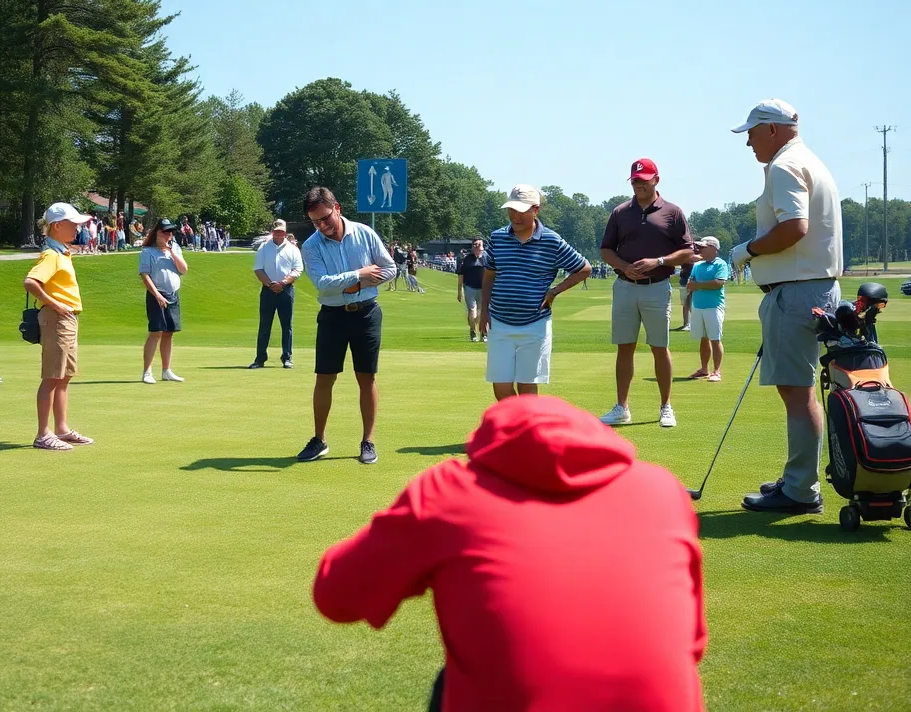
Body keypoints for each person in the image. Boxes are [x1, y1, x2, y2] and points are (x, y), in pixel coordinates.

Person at [313, 395, 707, 712]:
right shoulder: (662, 489)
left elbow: (334, 595)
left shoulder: (450, 491)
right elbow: (693, 644)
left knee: (451, 679)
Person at [728, 99, 842, 514]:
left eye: (752, 133)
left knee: (797, 393)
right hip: (813, 289)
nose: (749, 143)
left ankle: (800, 490)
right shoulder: (810, 160)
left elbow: (795, 227)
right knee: (801, 391)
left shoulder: (784, 165)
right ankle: (800, 481)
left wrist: (747, 250)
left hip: (795, 292)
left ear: (772, 129)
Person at [296, 187, 395, 465]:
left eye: (325, 218)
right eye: (315, 221)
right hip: (332, 316)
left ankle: (368, 441)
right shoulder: (311, 246)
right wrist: (360, 274)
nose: (322, 226)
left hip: (366, 314)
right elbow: (322, 284)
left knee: (366, 378)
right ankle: (319, 440)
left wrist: (354, 285)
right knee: (324, 378)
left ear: (337, 208)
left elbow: (390, 269)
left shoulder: (364, 233)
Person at [599, 158, 695, 428]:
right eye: (635, 181)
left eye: (643, 180)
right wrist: (624, 267)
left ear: (656, 180)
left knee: (659, 347)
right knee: (625, 346)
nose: (638, 185)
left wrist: (659, 261)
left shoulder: (673, 212)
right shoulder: (620, 212)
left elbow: (687, 251)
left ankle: (666, 407)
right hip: (624, 286)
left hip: (657, 286)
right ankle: (622, 408)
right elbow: (606, 249)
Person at [480, 185, 591, 400]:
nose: (515, 215)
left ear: (535, 210)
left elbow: (584, 269)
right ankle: (520, 420)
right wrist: (484, 311)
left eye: (522, 210)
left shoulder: (552, 241)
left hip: (535, 324)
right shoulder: (497, 237)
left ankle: (525, 423)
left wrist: (554, 291)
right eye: (511, 209)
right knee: (501, 389)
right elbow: (489, 275)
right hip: (499, 322)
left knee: (527, 389)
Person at [23, 203, 94, 451]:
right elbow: (31, 282)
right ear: (56, 226)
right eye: (72, 224)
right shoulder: (51, 255)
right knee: (53, 376)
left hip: (67, 319)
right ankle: (43, 434)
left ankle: (61, 430)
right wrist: (55, 304)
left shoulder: (62, 253)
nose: (77, 228)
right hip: (57, 319)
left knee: (64, 376)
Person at [249, 218, 304, 369]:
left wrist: (283, 283)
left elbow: (298, 269)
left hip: (286, 290)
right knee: (264, 325)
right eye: (276, 231)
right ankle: (260, 359)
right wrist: (269, 284)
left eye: (281, 231)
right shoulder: (264, 248)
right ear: (272, 232)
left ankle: (287, 357)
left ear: (285, 232)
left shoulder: (293, 249)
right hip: (268, 290)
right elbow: (258, 269)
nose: (279, 234)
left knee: (287, 326)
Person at [139, 218, 189, 384]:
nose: (168, 235)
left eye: (170, 232)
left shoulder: (174, 249)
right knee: (156, 332)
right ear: (157, 233)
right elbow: (145, 276)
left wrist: (171, 252)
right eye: (165, 232)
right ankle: (147, 372)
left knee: (169, 333)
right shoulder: (148, 252)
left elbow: (183, 270)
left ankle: (166, 370)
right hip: (157, 295)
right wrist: (157, 295)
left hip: (173, 295)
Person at [686, 237, 728, 382]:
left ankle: (717, 371)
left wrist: (698, 285)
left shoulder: (720, 264)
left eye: (703, 247)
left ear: (713, 248)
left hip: (714, 306)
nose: (700, 250)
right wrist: (695, 287)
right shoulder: (697, 265)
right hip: (697, 306)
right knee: (703, 338)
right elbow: (690, 283)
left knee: (715, 339)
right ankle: (704, 369)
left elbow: (718, 283)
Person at [455, 236, 487, 342]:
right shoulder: (467, 259)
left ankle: (483, 333)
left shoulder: (487, 257)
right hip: (470, 288)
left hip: (483, 289)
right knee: (472, 311)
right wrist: (459, 291)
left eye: (479, 245)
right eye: (475, 245)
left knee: (482, 312)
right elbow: (461, 276)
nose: (477, 247)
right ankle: (473, 331)